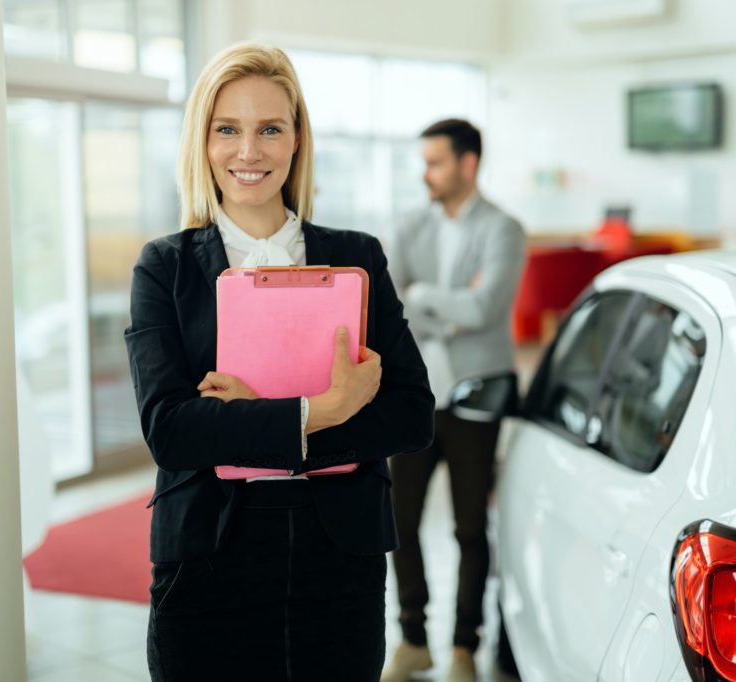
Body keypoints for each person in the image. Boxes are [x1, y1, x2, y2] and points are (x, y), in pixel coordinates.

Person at [124, 42, 434, 682]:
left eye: (270, 128)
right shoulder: (167, 267)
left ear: (297, 139)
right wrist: (325, 410)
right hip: (208, 555)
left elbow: (412, 415)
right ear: (203, 143)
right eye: (227, 130)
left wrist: (251, 425)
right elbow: (171, 431)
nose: (248, 152)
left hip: (339, 557)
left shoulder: (357, 258)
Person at [382, 119, 526, 682]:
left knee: (469, 527)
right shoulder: (411, 225)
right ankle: (413, 638)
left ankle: (465, 645)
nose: (426, 173)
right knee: (400, 521)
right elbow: (393, 304)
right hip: (415, 397)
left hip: (477, 397)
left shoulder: (503, 229)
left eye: (436, 162)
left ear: (468, 164)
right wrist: (443, 304)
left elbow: (486, 308)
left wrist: (423, 297)